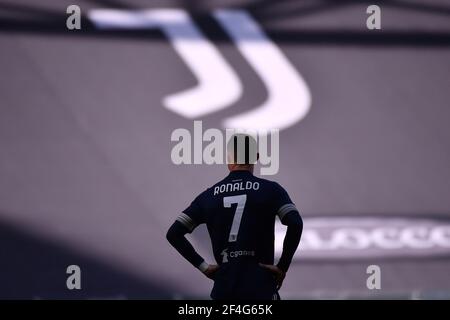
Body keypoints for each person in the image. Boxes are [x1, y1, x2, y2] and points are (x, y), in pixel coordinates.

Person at [166, 133, 303, 300]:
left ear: (229, 157)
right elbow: (295, 223)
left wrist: (204, 267)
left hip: (224, 290)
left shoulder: (208, 196)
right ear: (256, 157)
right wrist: (282, 267)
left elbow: (174, 233)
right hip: (261, 289)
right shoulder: (271, 190)